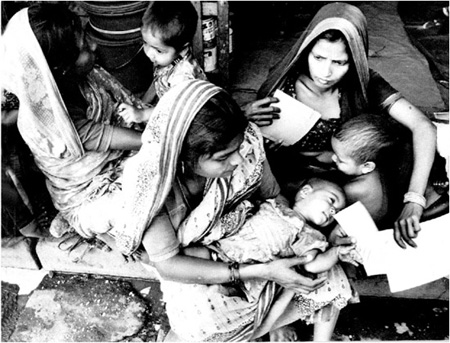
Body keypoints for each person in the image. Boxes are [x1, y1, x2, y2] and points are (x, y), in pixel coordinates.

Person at [106, 79, 355, 342]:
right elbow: (169, 264)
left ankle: (269, 319)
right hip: (199, 262)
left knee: (329, 278)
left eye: (236, 149)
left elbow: (272, 196)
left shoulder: (246, 144)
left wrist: (289, 242)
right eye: (223, 157)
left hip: (252, 242)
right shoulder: (152, 187)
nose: (238, 160)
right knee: (208, 320)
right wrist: (263, 271)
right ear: (183, 158)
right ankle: (259, 321)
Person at [247, 2, 437, 249]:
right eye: (318, 57)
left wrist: (414, 200)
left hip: (344, 175)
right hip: (294, 176)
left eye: (340, 62)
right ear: (307, 50)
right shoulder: (284, 83)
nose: (325, 72)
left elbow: (423, 126)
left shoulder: (364, 83)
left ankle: (334, 238)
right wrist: (247, 117)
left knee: (372, 186)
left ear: (355, 60)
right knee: (264, 188)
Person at [0, 3, 143, 239]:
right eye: (84, 47)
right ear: (59, 67)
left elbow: (131, 114)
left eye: (86, 37)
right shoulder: (58, 125)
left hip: (115, 163)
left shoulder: (82, 77)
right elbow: (145, 140)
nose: (94, 45)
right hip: (87, 197)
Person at [213, 177, 361, 341]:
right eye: (331, 200)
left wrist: (336, 253)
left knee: (227, 301)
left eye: (337, 212)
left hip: (252, 273)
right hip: (225, 251)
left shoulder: (311, 236)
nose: (333, 212)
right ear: (305, 192)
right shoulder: (276, 203)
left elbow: (312, 265)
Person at [117, 1, 207, 124]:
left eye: (159, 50)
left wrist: (142, 114)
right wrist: (141, 104)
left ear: (183, 48)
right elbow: (158, 81)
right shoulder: (165, 59)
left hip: (186, 120)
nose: (149, 53)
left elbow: (176, 110)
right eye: (145, 43)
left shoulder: (183, 76)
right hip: (168, 107)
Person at [330, 113, 411, 228]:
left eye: (340, 160)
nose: (333, 158)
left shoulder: (353, 189)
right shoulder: (378, 169)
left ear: (367, 166)